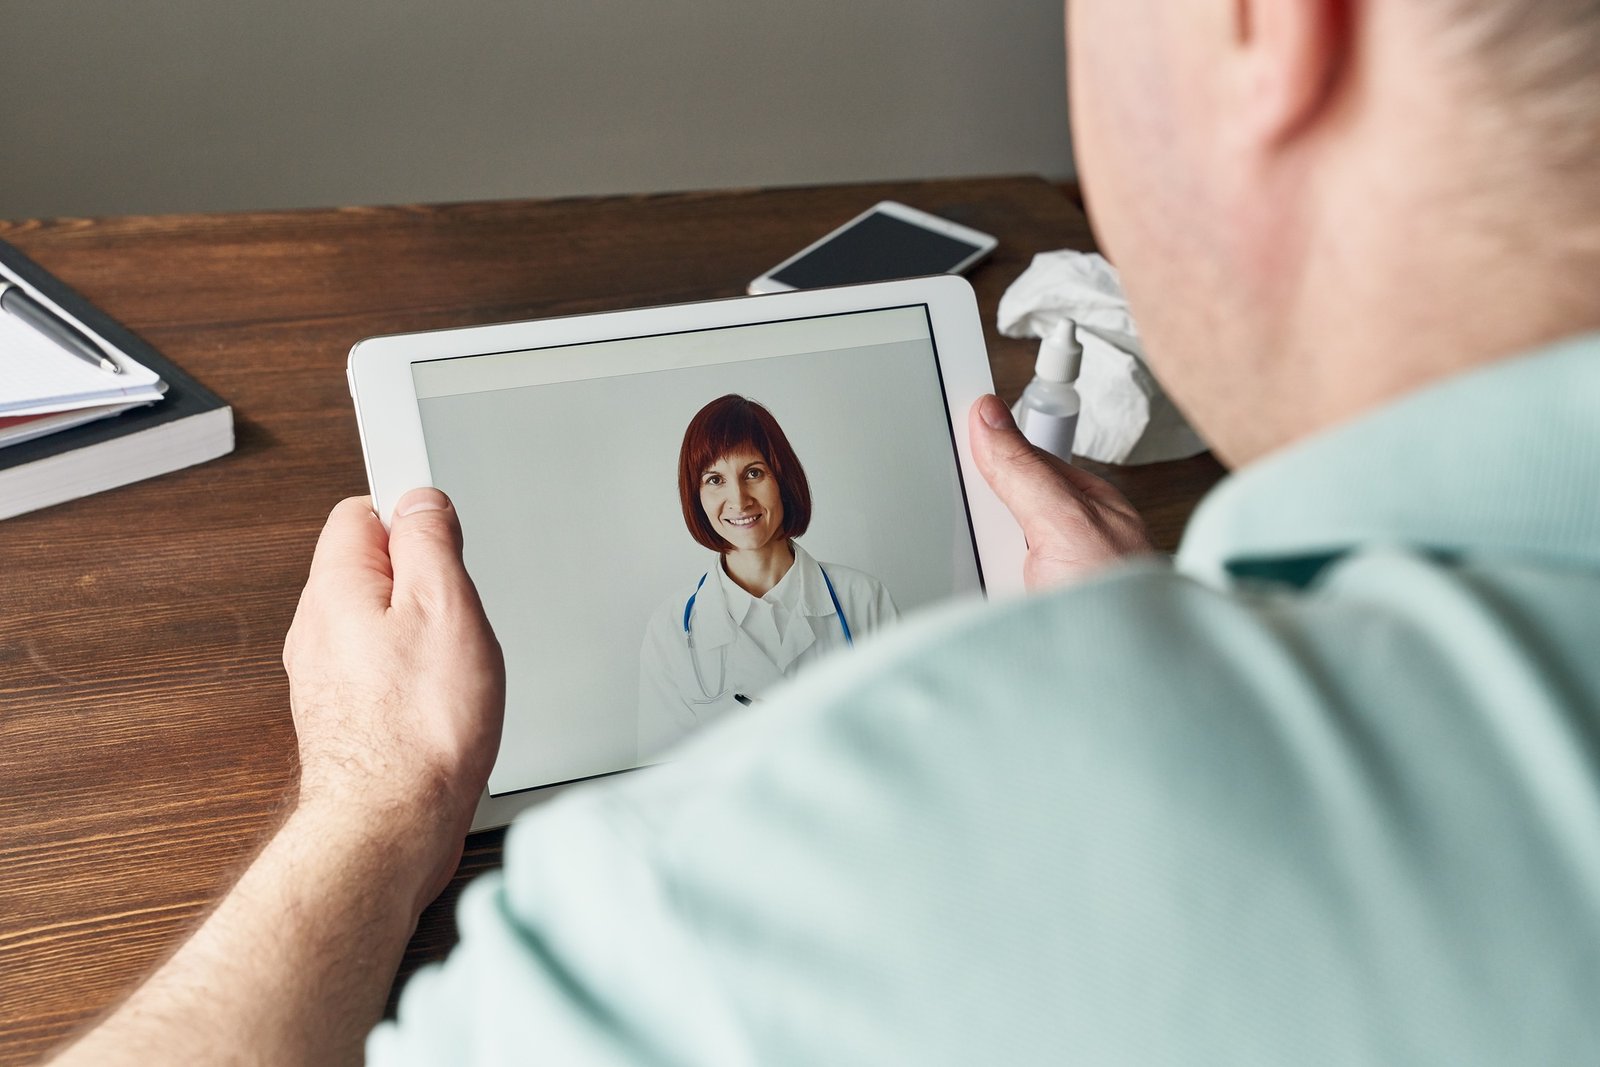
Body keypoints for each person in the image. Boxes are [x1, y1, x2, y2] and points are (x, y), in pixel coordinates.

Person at [46, 0, 1600, 1063]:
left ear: (1264, 24)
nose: (738, 499)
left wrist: (373, 805)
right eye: (710, 484)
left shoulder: (780, 879)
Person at [637, 394, 897, 760]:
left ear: (782, 480)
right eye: (714, 479)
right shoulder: (670, 631)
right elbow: (661, 782)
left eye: (754, 473)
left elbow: (904, 743)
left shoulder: (864, 599)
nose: (739, 499)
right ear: (695, 497)